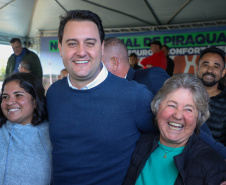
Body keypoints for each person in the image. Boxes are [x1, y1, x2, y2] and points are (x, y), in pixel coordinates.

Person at [46, 10, 155, 185]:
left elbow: (186, 133)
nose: (81, 52)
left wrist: (215, 170)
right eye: (72, 43)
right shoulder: (54, 93)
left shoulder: (135, 96)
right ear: (60, 48)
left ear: (102, 47)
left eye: (90, 43)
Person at [102, 37, 226, 159]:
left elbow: (194, 122)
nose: (94, 72)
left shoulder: (149, 77)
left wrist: (218, 154)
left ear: (114, 62)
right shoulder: (109, 91)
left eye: (99, 64)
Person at [123, 73, 226, 185]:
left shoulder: (213, 163)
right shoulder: (137, 143)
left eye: (188, 109)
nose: (178, 115)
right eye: (171, 105)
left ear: (198, 117)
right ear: (157, 107)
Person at [0, 73, 52, 185]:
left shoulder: (52, 134)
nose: (9, 102)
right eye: (5, 97)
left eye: (18, 95)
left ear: (35, 101)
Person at [102, 37, 170, 95]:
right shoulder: (107, 89)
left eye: (100, 64)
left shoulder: (151, 77)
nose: (97, 70)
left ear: (114, 63)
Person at [196, 47, 226, 146]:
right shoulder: (183, 95)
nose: (210, 70)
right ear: (197, 68)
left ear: (223, 72)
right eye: (205, 65)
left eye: (216, 67)